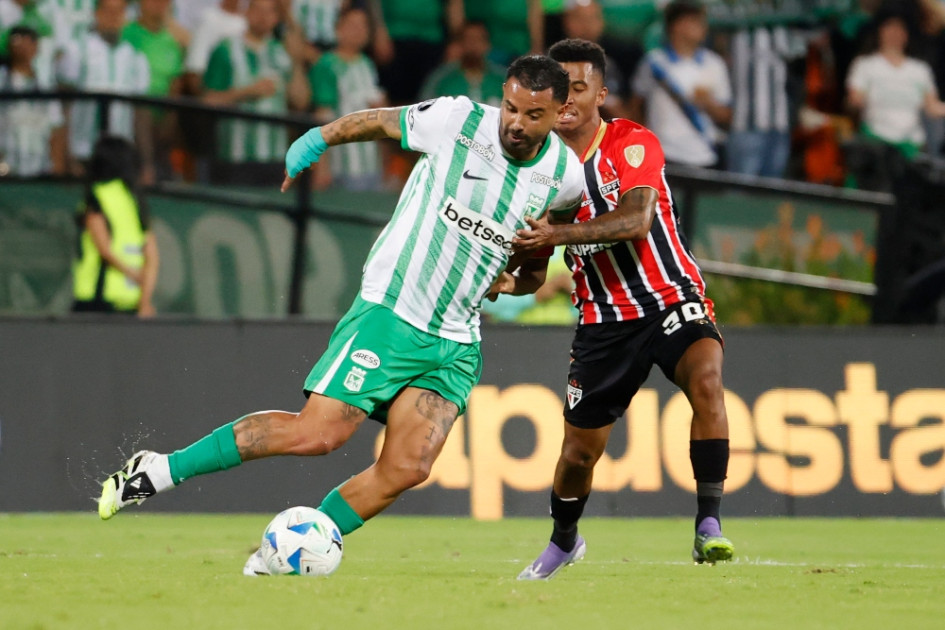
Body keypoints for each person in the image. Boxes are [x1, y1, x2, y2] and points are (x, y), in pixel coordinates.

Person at [96, 55, 585, 576]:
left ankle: (288, 552)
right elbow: (380, 121)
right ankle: (160, 469)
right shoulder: (458, 120)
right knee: (318, 435)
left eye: (533, 115)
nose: (516, 122)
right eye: (511, 107)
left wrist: (514, 282)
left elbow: (536, 263)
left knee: (409, 466)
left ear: (560, 113)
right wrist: (318, 138)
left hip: (457, 338)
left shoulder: (565, 178)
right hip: (392, 310)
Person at [512, 39, 733, 580]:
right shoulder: (539, 171)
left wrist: (558, 233)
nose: (567, 99)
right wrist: (506, 281)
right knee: (577, 455)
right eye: (559, 90)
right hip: (603, 322)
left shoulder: (632, 143)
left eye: (578, 88)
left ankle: (708, 524)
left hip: (670, 297)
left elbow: (635, 221)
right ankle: (564, 541)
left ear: (601, 94)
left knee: (706, 381)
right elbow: (534, 273)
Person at [201, 0, 309, 183]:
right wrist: (247, 92)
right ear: (247, 13)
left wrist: (297, 62)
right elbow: (207, 101)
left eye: (269, 12)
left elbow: (300, 101)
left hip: (275, 156)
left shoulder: (281, 52)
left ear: (276, 18)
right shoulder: (225, 49)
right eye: (257, 10)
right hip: (235, 158)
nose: (263, 17)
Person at [629, 0, 731, 168]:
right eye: (695, 22)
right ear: (677, 26)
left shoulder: (714, 64)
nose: (703, 28)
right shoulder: (653, 62)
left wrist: (708, 104)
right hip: (663, 154)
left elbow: (727, 115)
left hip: (704, 154)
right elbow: (636, 105)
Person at [72, 136, 159, 317]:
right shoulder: (135, 201)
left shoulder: (97, 196)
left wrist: (132, 274)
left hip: (97, 298)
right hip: (130, 299)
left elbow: (104, 249)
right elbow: (152, 256)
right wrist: (145, 300)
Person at [308, 6, 386, 190]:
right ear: (338, 29)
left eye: (363, 26)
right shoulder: (327, 64)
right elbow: (321, 116)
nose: (358, 31)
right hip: (343, 164)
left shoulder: (367, 64)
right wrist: (322, 166)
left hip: (371, 163)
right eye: (352, 25)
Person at [0, 25, 66, 176]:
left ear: (36, 47)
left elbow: (56, 126)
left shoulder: (46, 83)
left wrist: (57, 166)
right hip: (6, 167)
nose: (23, 46)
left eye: (29, 41)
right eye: (18, 40)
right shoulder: (2, 80)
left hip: (40, 166)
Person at [420, 20, 506, 108]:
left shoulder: (503, 79)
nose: (473, 45)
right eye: (468, 39)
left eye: (478, 39)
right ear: (459, 44)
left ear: (488, 45)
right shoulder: (441, 78)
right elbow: (423, 109)